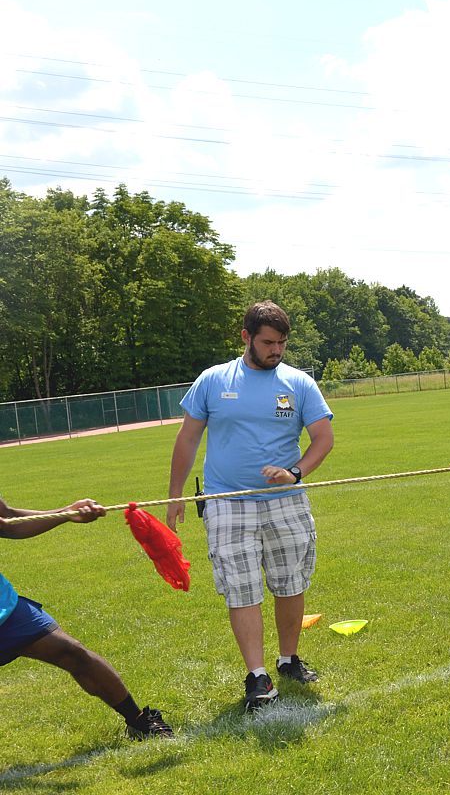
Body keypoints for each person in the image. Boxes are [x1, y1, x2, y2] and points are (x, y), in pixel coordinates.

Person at [167, 301, 335, 711]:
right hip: (227, 501)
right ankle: (257, 675)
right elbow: (188, 438)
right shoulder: (213, 380)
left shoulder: (299, 383)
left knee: (290, 582)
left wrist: (294, 473)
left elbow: (323, 439)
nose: (276, 350)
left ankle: (288, 659)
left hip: (286, 501)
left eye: (282, 343)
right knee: (241, 587)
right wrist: (175, 494)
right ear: (246, 337)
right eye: (268, 342)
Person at [1, 497, 173, 739]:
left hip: (5, 608)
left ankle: (138, 721)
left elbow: (8, 520)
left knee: (71, 652)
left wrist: (66, 513)